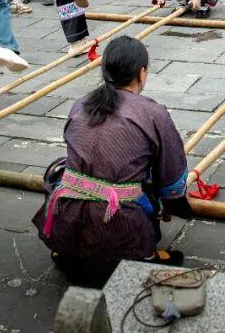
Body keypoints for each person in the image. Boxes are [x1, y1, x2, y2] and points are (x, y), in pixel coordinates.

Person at [34, 35, 192, 288]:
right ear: (142, 73)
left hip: (68, 218)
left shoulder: (79, 105)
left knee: (61, 167)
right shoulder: (153, 113)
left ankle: (68, 248)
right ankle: (142, 255)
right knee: (155, 177)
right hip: (120, 224)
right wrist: (173, 206)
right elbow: (172, 175)